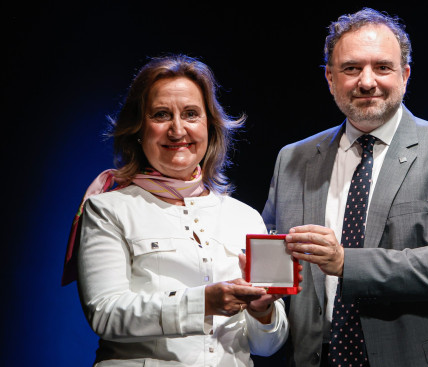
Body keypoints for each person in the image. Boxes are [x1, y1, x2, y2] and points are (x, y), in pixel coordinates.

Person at [262, 8, 428, 367]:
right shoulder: (293, 159)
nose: (366, 82)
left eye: (382, 67)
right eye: (351, 68)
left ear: (405, 75)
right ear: (330, 78)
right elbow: (273, 263)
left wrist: (345, 262)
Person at [63, 55, 291, 367]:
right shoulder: (107, 209)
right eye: (160, 115)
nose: (177, 129)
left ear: (209, 127)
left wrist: (262, 311)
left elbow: (267, 346)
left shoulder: (246, 217)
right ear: (139, 129)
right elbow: (105, 314)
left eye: (191, 114)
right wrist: (203, 302)